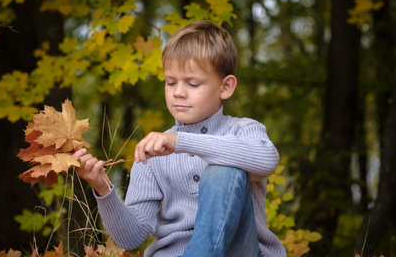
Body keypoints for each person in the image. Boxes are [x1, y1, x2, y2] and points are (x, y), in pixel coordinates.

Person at [74, 20, 286, 257]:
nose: (178, 92)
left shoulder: (244, 130)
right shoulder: (154, 150)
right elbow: (130, 238)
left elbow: (266, 160)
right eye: (170, 82)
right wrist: (102, 188)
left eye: (193, 83)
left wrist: (180, 142)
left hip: (240, 252)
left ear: (226, 87)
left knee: (223, 171)